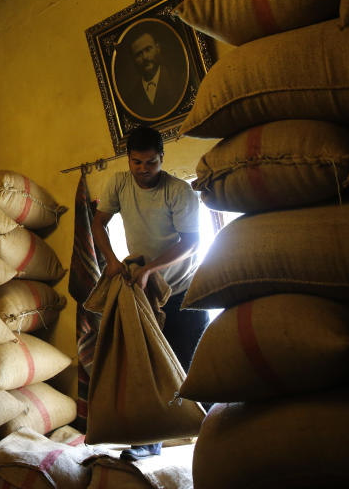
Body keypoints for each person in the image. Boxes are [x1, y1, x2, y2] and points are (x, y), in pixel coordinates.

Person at [89, 125, 208, 462]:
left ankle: (213, 433)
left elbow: (192, 242)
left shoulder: (178, 192)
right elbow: (98, 222)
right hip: (147, 290)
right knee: (149, 366)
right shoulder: (119, 183)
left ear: (162, 159)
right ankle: (150, 441)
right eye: (136, 162)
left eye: (151, 163)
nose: (143, 170)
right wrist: (111, 261)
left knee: (190, 367)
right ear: (129, 160)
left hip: (184, 288)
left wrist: (150, 268)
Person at [115, 30, 188, 121]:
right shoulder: (131, 100)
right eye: (139, 54)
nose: (145, 57)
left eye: (148, 49)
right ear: (133, 60)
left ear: (158, 48)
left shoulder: (179, 80)